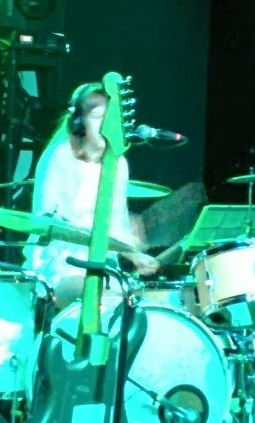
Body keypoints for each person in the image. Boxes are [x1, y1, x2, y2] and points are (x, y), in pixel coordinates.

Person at [26, 81, 161, 308]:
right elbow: (51, 223)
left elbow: (116, 226)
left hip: (104, 269)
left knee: (146, 305)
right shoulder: (61, 156)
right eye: (98, 117)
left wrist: (133, 247)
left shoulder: (118, 163)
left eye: (110, 118)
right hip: (61, 266)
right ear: (79, 123)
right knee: (110, 301)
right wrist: (126, 250)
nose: (106, 125)